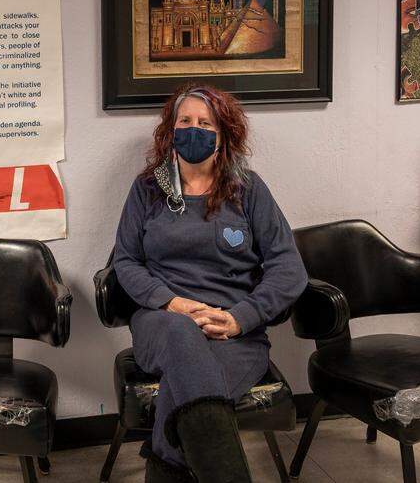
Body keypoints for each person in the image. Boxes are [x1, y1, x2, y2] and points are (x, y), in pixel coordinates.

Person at [112, 84, 307, 483]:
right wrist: (172, 303)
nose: (194, 129)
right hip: (163, 322)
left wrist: (240, 317)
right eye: (186, 121)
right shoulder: (148, 189)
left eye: (206, 123)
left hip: (233, 334)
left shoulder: (247, 189)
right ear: (171, 130)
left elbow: (289, 268)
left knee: (183, 398)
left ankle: (163, 469)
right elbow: (126, 261)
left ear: (224, 136)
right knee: (182, 337)